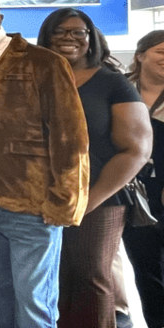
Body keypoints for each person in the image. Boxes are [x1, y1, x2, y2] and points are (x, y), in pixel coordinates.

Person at [0, 0, 89, 328]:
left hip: (33, 206)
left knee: (34, 305)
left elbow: (71, 136)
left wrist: (65, 201)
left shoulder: (43, 62)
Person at [36, 9, 152, 328]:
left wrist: (88, 200)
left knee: (89, 278)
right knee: (52, 279)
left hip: (99, 199)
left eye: (77, 32)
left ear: (90, 38)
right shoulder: (37, 81)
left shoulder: (111, 83)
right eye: (59, 32)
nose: (68, 38)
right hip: (43, 197)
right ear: (46, 38)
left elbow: (136, 150)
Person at [122, 30, 164, 328]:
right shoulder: (122, 90)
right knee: (145, 267)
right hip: (131, 191)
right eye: (161, 52)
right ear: (140, 55)